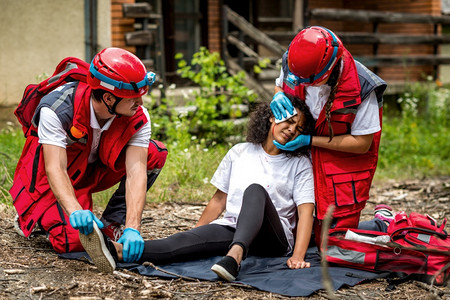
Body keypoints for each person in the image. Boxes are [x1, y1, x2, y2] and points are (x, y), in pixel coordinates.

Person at [83, 94, 316, 279]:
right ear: (273, 117)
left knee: (255, 191)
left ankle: (234, 258)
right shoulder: (240, 152)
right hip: (234, 228)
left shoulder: (299, 163)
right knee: (180, 242)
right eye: (290, 121)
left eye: (299, 128)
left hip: (272, 240)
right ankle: (116, 250)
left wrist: (297, 256)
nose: (292, 129)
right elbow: (218, 201)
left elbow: (306, 213)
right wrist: (194, 234)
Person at [9, 48, 168, 264]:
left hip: (93, 170)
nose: (140, 103)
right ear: (109, 97)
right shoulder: (56, 108)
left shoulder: (137, 116)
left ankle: (113, 224)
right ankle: (39, 219)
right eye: (133, 98)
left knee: (154, 154)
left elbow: (136, 170)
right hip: (53, 175)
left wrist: (133, 227)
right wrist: (75, 210)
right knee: (72, 242)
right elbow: (54, 168)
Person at [270, 26, 388, 245]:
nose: (302, 83)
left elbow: (363, 144)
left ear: (327, 71)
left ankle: (382, 224)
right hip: (300, 161)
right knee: (293, 236)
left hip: (341, 171)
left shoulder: (363, 86)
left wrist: (310, 141)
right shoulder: (294, 63)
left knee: (333, 247)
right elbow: (280, 85)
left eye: (308, 80)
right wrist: (277, 96)